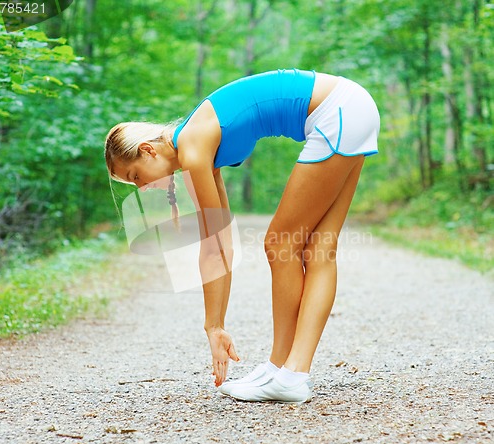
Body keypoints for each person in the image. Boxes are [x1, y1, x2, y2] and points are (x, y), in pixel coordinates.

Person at [104, 68, 380, 404]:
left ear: (148, 150)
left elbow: (213, 246)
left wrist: (212, 327)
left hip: (337, 112)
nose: (142, 187)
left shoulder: (192, 148)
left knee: (280, 243)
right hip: (351, 107)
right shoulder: (198, 145)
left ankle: (288, 372)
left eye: (135, 176)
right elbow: (222, 243)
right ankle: (285, 370)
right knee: (319, 248)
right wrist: (216, 324)